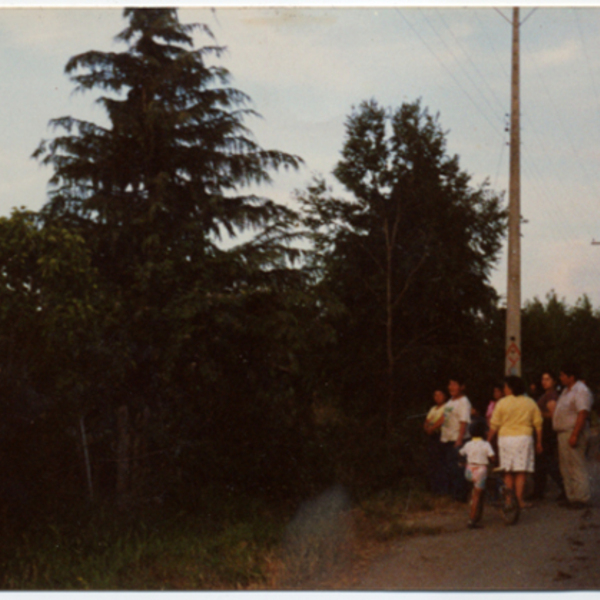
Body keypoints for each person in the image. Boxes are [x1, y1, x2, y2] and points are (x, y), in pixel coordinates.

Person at [488, 375, 543, 509]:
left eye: (506, 387)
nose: (504, 389)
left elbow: (494, 425)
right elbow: (538, 424)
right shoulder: (530, 402)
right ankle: (519, 501)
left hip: (506, 439)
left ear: (511, 388)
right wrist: (539, 442)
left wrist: (488, 440)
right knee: (520, 471)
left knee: (507, 471)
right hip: (524, 439)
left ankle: (508, 501)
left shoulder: (502, 403)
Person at [552, 363, 594, 509]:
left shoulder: (581, 391)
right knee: (565, 466)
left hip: (573, 431)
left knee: (576, 465)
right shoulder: (565, 391)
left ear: (571, 377)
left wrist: (575, 434)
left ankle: (581, 497)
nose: (560, 378)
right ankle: (571, 496)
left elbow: (582, 413)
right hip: (563, 432)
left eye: (563, 375)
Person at [532, 371, 566, 501]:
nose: (544, 382)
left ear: (554, 381)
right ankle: (538, 491)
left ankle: (562, 487)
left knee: (548, 463)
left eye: (547, 379)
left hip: (547, 433)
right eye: (543, 379)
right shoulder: (546, 395)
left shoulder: (551, 396)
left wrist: (538, 413)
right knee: (542, 463)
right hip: (544, 432)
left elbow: (552, 416)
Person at [440, 376, 472, 502]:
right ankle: (454, 494)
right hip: (447, 438)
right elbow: (445, 417)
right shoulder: (450, 401)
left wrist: (459, 439)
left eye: (454, 384)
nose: (451, 387)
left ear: (462, 387)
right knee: (450, 468)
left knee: (458, 469)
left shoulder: (464, 402)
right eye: (450, 384)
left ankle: (461, 496)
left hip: (458, 440)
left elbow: (464, 422)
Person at [459, 418, 495, 529]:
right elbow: (492, 457)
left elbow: (461, 453)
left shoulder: (468, 444)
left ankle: (475, 513)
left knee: (474, 492)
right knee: (477, 496)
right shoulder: (485, 445)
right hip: (480, 470)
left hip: (469, 470)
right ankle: (472, 520)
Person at [423, 388, 448, 495]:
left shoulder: (447, 406)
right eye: (435, 395)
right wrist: (427, 428)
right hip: (432, 436)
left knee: (441, 462)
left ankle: (442, 489)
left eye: (440, 395)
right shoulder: (433, 408)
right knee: (433, 462)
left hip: (441, 436)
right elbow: (427, 421)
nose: (437, 397)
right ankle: (433, 489)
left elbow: (443, 419)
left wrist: (432, 428)